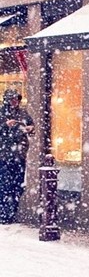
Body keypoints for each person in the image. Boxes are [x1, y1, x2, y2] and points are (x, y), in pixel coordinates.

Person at [0, 89, 34, 223]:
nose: (15, 102)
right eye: (12, 99)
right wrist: (5, 126)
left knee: (18, 185)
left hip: (19, 156)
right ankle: (4, 214)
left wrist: (30, 128)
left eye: (17, 99)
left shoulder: (22, 113)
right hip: (3, 156)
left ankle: (12, 212)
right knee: (4, 185)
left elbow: (31, 126)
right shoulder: (1, 113)